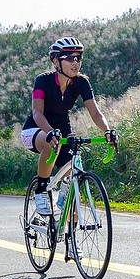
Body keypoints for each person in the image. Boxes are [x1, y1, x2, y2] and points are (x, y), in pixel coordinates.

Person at [20, 37, 117, 216]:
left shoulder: (81, 82)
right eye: (70, 58)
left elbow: (96, 113)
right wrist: (50, 132)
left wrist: (107, 131)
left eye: (78, 58)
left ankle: (68, 224)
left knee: (74, 199)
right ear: (56, 61)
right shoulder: (43, 81)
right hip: (35, 130)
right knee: (52, 143)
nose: (76, 62)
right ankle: (41, 190)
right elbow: (37, 113)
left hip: (63, 133)